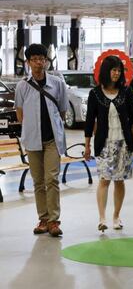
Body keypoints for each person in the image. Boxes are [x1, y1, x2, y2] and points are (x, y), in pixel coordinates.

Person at [14, 43, 68, 237]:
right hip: (32, 140)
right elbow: (19, 113)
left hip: (52, 139)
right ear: (28, 63)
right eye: (34, 59)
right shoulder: (22, 86)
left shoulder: (58, 83)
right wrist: (30, 128)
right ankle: (43, 219)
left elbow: (62, 111)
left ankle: (54, 221)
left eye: (42, 59)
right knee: (38, 181)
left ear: (46, 61)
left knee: (51, 178)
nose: (38, 63)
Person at [84, 55, 133, 232]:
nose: (116, 73)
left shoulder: (126, 92)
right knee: (104, 180)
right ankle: (102, 218)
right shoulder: (95, 94)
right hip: (104, 144)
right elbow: (89, 121)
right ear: (106, 71)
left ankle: (116, 215)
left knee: (119, 181)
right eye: (113, 70)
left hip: (124, 143)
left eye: (119, 70)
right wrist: (87, 145)